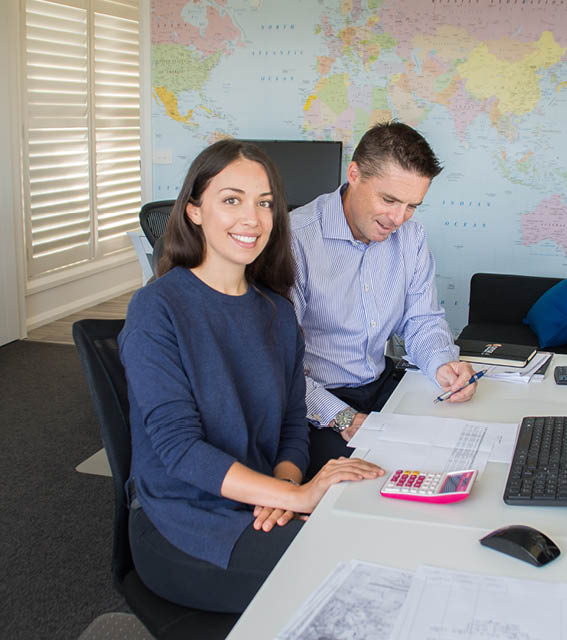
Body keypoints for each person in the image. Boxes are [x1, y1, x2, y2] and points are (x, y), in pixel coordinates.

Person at [119, 139, 384, 614]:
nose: (253, 218)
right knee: (358, 579)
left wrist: (284, 493)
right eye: (231, 200)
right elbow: (180, 451)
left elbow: (290, 427)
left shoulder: (276, 313)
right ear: (195, 210)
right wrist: (297, 494)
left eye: (265, 203)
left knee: (374, 535)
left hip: (260, 505)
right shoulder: (157, 309)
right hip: (188, 524)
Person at [289, 122, 478, 477]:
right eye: (389, 200)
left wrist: (441, 365)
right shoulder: (294, 241)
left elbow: (422, 319)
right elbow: (277, 365)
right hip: (316, 406)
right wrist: (339, 416)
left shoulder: (411, 235)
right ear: (354, 174)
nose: (397, 218)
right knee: (380, 484)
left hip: (381, 386)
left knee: (454, 454)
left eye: (411, 206)